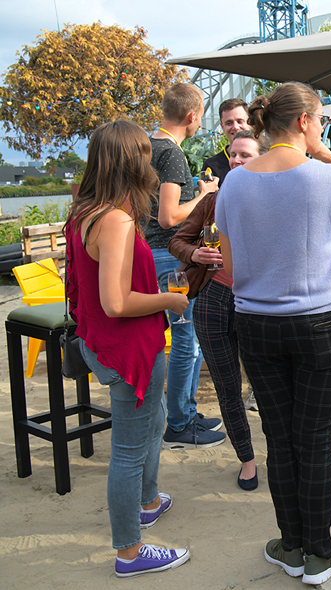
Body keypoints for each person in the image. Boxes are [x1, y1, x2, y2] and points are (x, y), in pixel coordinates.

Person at [216, 82, 331, 586]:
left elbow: (229, 261)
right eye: (321, 119)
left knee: (279, 439)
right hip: (318, 322)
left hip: (256, 323)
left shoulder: (234, 182)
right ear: (306, 121)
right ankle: (319, 551)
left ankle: (290, 543)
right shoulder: (324, 178)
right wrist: (327, 153)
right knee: (316, 441)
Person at [65, 120, 190, 578]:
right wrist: (170, 299)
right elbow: (116, 302)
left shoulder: (86, 210)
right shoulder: (116, 220)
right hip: (128, 350)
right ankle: (129, 552)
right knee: (128, 451)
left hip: (104, 343)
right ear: (129, 161)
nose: (151, 161)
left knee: (153, 419)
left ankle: (149, 500)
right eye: (143, 153)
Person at [168, 130, 270, 492]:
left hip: (256, 302)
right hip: (213, 298)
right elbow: (176, 239)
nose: (237, 161)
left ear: (262, 158)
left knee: (267, 385)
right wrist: (195, 254)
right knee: (228, 388)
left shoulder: (274, 197)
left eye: (245, 155)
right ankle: (247, 460)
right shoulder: (213, 200)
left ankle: (280, 454)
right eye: (233, 155)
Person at [148, 83, 226, 450]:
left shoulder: (142, 146)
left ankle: (183, 414)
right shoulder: (171, 154)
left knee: (170, 340)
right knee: (186, 341)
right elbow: (168, 217)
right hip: (168, 256)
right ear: (193, 116)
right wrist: (205, 196)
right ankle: (179, 422)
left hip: (146, 253)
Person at [201, 98, 251, 183]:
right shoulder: (211, 165)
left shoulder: (264, 158)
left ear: (250, 123)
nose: (235, 127)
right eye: (229, 123)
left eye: (240, 121)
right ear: (222, 127)